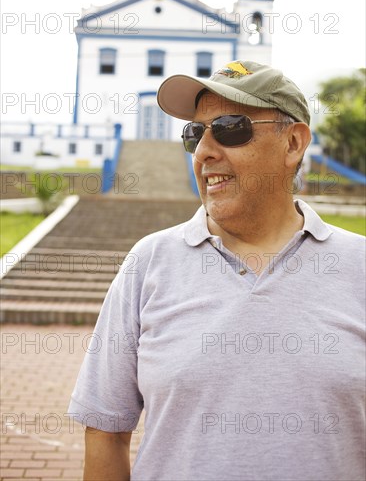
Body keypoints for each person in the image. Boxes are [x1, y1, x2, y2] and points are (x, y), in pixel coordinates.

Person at [68, 60, 365, 481]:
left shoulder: (360, 267)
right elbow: (105, 429)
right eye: (194, 134)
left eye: (230, 128)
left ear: (294, 143)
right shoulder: (148, 263)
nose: (205, 151)